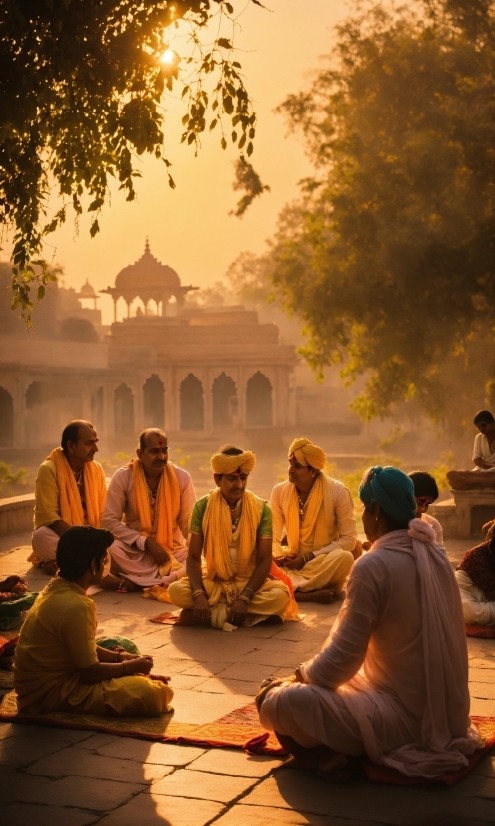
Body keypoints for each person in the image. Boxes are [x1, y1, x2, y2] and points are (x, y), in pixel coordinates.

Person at [257, 465, 480, 780]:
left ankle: (325, 757)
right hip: (447, 716)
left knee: (275, 700)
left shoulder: (374, 564)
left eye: (364, 509)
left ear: (375, 512)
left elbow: (341, 663)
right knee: (306, 689)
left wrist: (297, 678)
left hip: (402, 722)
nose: (363, 516)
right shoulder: (437, 555)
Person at [14, 526, 173, 716]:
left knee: (120, 646)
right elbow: (90, 673)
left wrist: (120, 658)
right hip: (49, 694)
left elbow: (80, 643)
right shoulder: (76, 605)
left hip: (60, 674)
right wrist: (130, 666)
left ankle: (127, 672)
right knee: (153, 694)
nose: (106, 566)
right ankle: (135, 680)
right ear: (92, 565)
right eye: (104, 560)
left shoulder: (56, 587)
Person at [168, 445, 291, 630]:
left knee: (281, 595)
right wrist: (199, 594)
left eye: (243, 478)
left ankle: (210, 615)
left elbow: (265, 559)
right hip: (213, 581)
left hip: (247, 584)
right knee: (176, 591)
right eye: (232, 479)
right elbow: (193, 557)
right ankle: (244, 616)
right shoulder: (202, 507)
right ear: (217, 479)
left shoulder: (261, 509)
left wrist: (245, 598)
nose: (239, 485)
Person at [102, 429, 196, 588]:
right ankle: (166, 580)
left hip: (172, 550)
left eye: (164, 450)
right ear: (140, 453)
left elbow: (188, 523)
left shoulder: (182, 478)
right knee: (105, 547)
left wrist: (198, 549)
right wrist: (145, 542)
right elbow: (109, 521)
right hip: (133, 549)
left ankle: (136, 581)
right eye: (154, 451)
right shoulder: (124, 477)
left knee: (194, 559)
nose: (161, 457)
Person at [271, 438, 357, 603]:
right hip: (291, 561)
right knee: (258, 559)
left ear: (313, 471)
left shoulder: (337, 491)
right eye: (290, 464)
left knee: (345, 558)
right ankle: (310, 592)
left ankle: (290, 590)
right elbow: (273, 535)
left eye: (297, 467)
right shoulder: (279, 491)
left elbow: (349, 540)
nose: (291, 470)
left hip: (321, 561)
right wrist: (279, 556)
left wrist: (308, 557)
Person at [30, 420, 111, 580]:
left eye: (95, 443)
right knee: (41, 536)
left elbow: (103, 513)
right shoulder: (49, 469)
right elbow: (50, 518)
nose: (96, 449)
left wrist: (99, 538)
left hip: (91, 535)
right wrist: (82, 540)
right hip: (65, 537)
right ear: (71, 446)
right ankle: (101, 571)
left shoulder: (96, 469)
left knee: (122, 545)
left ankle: (63, 564)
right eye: (89, 443)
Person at [455, 525, 495, 626]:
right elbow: (491, 589)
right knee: (469, 611)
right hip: (466, 588)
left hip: (484, 594)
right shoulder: (477, 555)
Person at [447, 411, 495, 490]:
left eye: (484, 425)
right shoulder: (479, 437)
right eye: (479, 427)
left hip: (490, 474)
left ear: (493, 423)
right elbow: (477, 460)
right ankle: (478, 480)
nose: (481, 429)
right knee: (453, 477)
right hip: (483, 471)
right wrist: (490, 467)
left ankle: (476, 480)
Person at [408, 471, 443, 544]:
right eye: (419, 502)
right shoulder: (386, 524)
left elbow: (437, 553)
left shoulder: (432, 525)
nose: (423, 509)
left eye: (427, 504)